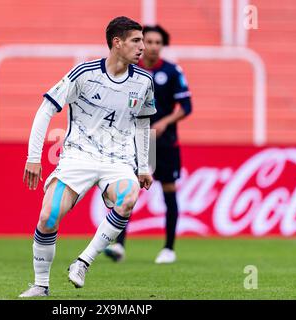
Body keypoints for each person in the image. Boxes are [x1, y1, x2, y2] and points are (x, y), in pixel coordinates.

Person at [19, 16, 156, 297]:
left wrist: (144, 165)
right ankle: (40, 285)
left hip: (118, 160)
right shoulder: (84, 73)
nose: (143, 47)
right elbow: (46, 109)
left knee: (129, 197)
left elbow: (144, 123)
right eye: (137, 40)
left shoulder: (144, 82)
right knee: (48, 217)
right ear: (117, 43)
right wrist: (34, 157)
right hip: (78, 156)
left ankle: (83, 262)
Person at [104, 25, 193, 264]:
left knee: (169, 191)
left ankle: (168, 248)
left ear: (162, 45)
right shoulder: (131, 70)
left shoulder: (173, 72)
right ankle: (119, 245)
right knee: (127, 191)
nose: (152, 46)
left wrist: (164, 123)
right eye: (148, 42)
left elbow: (186, 107)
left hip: (165, 143)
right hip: (135, 141)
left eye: (157, 42)